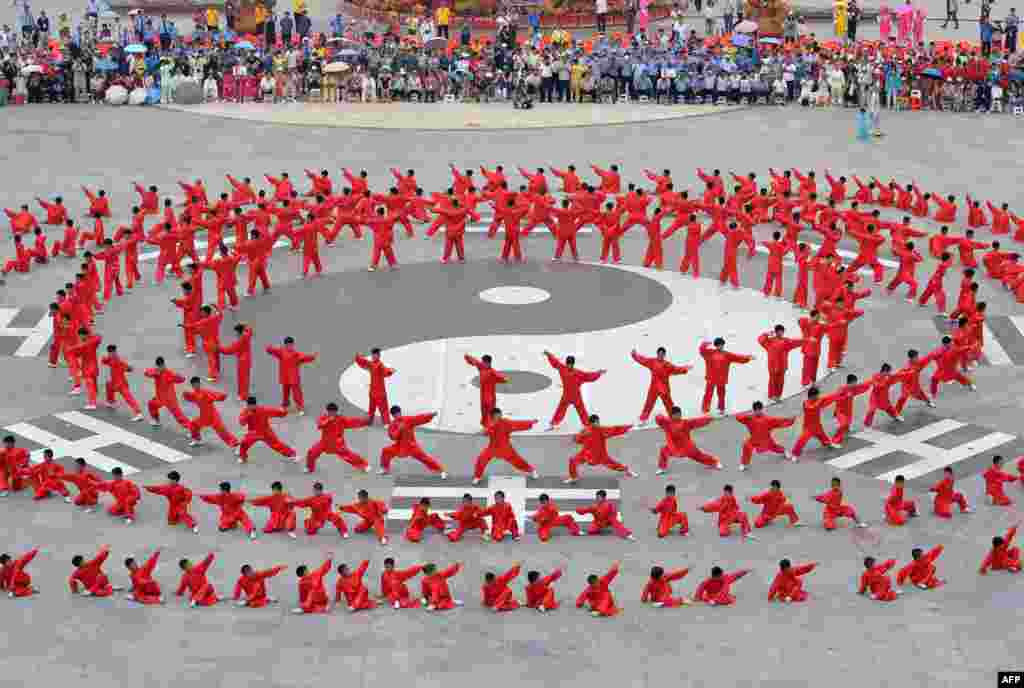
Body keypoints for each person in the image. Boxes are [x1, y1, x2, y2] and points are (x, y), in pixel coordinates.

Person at [543, 351, 605, 430]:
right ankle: (553, 424)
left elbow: (589, 376)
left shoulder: (578, 373)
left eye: (571, 364)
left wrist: (599, 373)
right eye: (568, 364)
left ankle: (588, 425)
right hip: (566, 396)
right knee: (560, 409)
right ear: (566, 363)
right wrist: (549, 355)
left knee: (582, 412)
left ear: (573, 364)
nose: (569, 365)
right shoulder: (562, 368)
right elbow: (555, 362)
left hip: (576, 397)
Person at [380, 406, 447, 477]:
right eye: (395, 414)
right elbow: (393, 437)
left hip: (412, 446)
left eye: (398, 413)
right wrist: (399, 429)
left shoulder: (408, 419)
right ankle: (385, 469)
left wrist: (430, 415)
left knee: (425, 458)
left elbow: (419, 418)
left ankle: (441, 471)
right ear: (393, 415)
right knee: (386, 451)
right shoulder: (392, 425)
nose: (397, 415)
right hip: (399, 447)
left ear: (400, 412)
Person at [567, 415, 637, 483]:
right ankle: (574, 477)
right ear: (592, 423)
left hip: (600, 455)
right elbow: (578, 440)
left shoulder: (598, 429)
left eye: (598, 422)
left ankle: (627, 471)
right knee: (573, 460)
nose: (598, 423)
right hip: (586, 454)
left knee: (614, 465)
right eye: (596, 422)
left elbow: (614, 429)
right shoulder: (587, 431)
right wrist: (576, 438)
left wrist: (628, 427)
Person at [305, 402, 371, 474]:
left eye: (333, 412)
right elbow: (320, 424)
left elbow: (352, 422)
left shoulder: (341, 419)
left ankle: (364, 465)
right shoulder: (324, 417)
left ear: (336, 412)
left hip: (338, 444)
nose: (331, 414)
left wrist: (365, 422)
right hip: (324, 442)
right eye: (329, 412)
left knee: (350, 456)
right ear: (327, 411)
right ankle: (309, 468)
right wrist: (328, 420)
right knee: (311, 452)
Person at [631, 347, 690, 424]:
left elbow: (676, 369)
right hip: (654, 388)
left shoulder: (667, 364)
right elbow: (643, 360)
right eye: (659, 354)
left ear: (664, 355)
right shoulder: (652, 362)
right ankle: (643, 419)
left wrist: (685, 369)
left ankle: (674, 419)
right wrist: (635, 355)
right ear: (657, 354)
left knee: (669, 405)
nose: (661, 356)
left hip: (664, 389)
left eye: (662, 354)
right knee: (648, 404)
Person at [698, 338, 753, 415]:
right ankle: (705, 408)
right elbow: (701, 350)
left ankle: (721, 408)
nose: (720, 346)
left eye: (721, 345)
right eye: (718, 345)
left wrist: (747, 357)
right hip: (711, 378)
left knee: (721, 394)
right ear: (715, 345)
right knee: (708, 394)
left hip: (721, 379)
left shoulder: (727, 354)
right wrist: (705, 344)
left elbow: (738, 357)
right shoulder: (709, 353)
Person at [238, 397, 295, 463]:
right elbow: (242, 423)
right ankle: (243, 457)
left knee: (277, 444)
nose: (251, 407)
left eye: (252, 405)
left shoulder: (263, 410)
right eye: (249, 406)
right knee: (244, 443)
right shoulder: (245, 411)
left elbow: (276, 412)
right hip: (253, 433)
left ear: (255, 405)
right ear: (247, 405)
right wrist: (247, 416)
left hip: (266, 432)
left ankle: (292, 454)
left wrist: (285, 411)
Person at [354, 349, 394, 425]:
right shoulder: (371, 364)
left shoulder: (380, 365)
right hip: (373, 392)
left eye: (375, 355)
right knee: (371, 409)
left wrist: (390, 371)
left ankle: (386, 423)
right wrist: (357, 357)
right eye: (372, 355)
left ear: (379, 356)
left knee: (383, 409)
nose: (373, 356)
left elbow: (385, 371)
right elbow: (364, 362)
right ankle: (369, 421)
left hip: (380, 392)